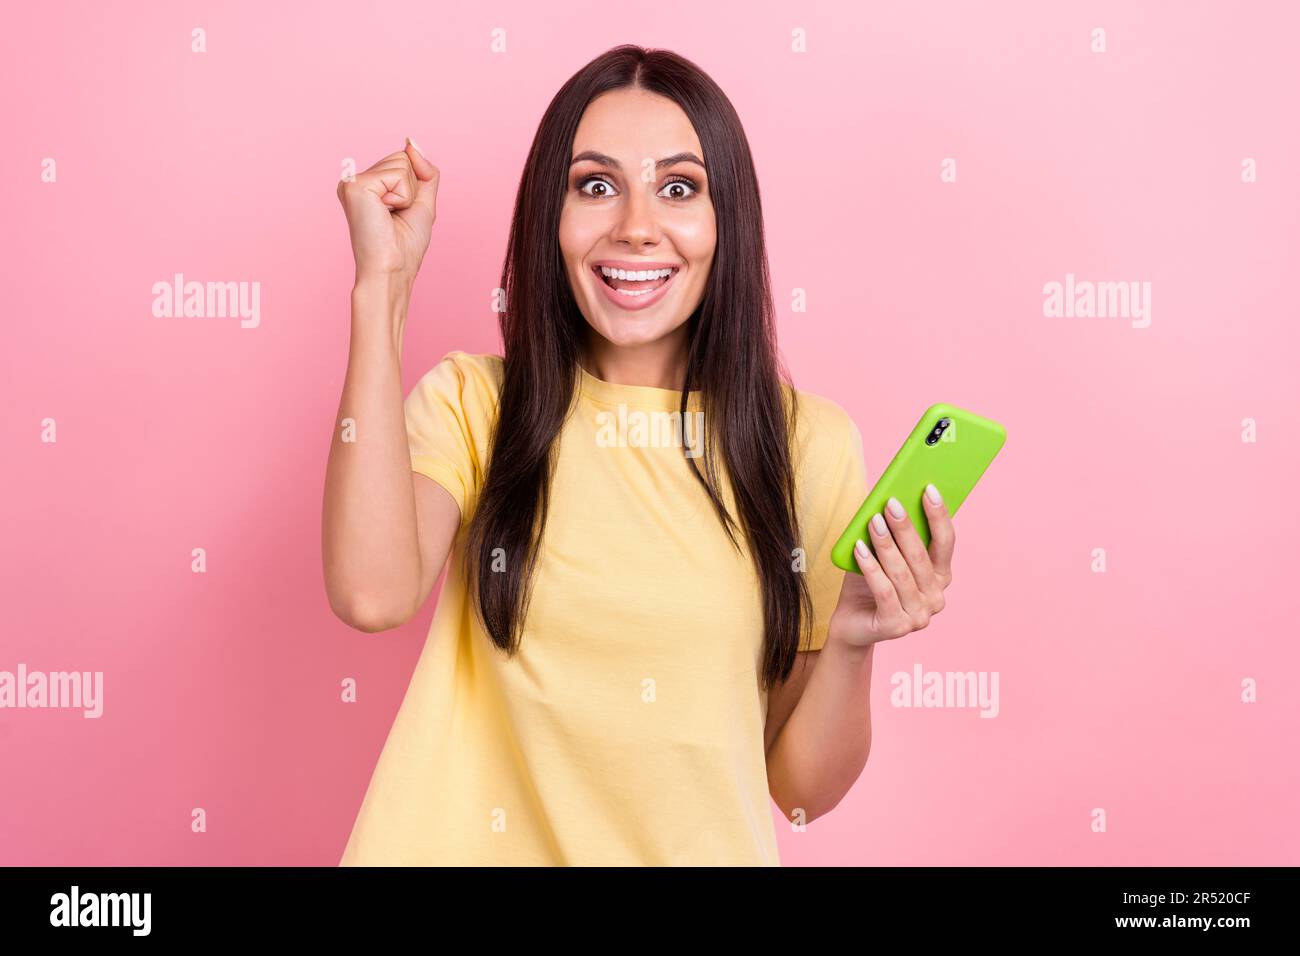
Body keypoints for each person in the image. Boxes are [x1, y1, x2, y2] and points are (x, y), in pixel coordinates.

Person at [323, 44, 956, 866]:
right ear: (550, 217)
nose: (635, 227)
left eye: (679, 187)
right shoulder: (478, 407)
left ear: (728, 219)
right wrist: (384, 285)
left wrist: (852, 641)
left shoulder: (803, 443)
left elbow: (800, 793)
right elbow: (371, 592)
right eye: (595, 185)